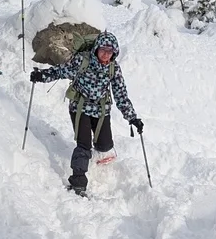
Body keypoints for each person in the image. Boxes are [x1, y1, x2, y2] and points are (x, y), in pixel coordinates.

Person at [29, 32, 143, 197]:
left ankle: (98, 152)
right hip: (80, 107)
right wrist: (42, 75)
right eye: (103, 49)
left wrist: (132, 118)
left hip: (101, 109)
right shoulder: (83, 61)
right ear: (96, 48)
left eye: (110, 51)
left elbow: (121, 95)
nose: (106, 54)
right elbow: (61, 71)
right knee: (84, 146)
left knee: (105, 145)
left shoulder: (113, 68)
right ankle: (78, 182)